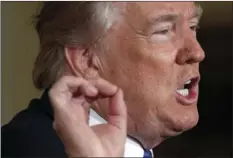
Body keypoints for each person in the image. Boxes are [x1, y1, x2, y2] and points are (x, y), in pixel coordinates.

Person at [2, 2, 205, 157]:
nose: (197, 52)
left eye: (193, 26)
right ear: (88, 61)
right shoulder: (24, 149)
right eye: (164, 31)